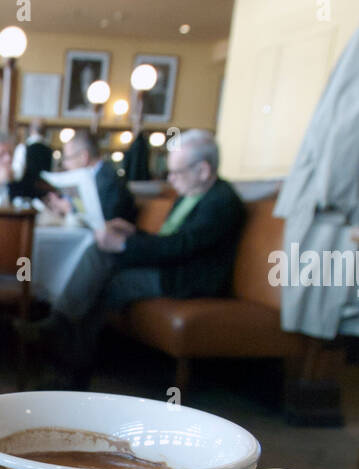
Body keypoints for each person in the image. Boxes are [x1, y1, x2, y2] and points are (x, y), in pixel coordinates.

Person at [30, 130, 245, 379]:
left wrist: (125, 245)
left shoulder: (221, 201)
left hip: (188, 280)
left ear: (204, 170)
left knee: (106, 282)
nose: (171, 179)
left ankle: (70, 359)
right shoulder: (192, 194)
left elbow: (182, 247)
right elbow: (170, 242)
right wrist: (134, 233)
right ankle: (65, 344)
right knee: (101, 252)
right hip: (172, 267)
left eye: (177, 172)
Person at [0, 131, 67, 211]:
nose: (8, 159)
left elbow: (38, 198)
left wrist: (54, 201)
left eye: (10, 153)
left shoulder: (23, 178)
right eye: (1, 155)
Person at [62, 130, 137, 224]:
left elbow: (103, 221)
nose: (65, 165)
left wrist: (72, 210)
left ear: (83, 157)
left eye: (68, 158)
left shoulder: (109, 181)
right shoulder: (96, 177)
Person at [13, 121, 54, 197]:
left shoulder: (23, 148)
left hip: (24, 193)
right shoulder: (50, 151)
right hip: (44, 194)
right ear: (45, 131)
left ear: (30, 130)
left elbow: (17, 174)